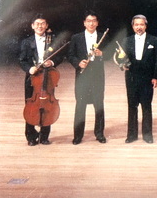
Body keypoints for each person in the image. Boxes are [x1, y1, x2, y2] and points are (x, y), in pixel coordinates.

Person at [18, 15, 62, 145]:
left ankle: (44, 137)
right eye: (37, 23)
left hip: (48, 77)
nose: (40, 26)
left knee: (48, 105)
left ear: (46, 25)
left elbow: (60, 56)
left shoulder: (52, 40)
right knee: (31, 106)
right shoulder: (26, 42)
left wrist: (52, 62)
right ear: (32, 26)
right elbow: (22, 60)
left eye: (43, 23)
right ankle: (31, 136)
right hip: (32, 78)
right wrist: (29, 68)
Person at [120, 14, 157, 143]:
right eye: (136, 24)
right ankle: (131, 135)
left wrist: (155, 77)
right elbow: (121, 58)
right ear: (133, 26)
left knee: (146, 106)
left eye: (141, 24)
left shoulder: (154, 40)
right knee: (132, 106)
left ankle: (147, 135)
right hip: (131, 77)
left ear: (145, 26)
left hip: (147, 78)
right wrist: (122, 65)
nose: (139, 27)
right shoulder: (126, 40)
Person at [68, 12, 107, 144]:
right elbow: (70, 55)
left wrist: (102, 54)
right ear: (84, 23)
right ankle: (78, 135)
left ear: (97, 23)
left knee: (99, 105)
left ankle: (99, 134)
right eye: (88, 21)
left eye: (94, 21)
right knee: (80, 105)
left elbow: (110, 53)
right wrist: (78, 63)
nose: (91, 23)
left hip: (97, 75)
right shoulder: (76, 38)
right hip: (82, 75)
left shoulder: (103, 36)